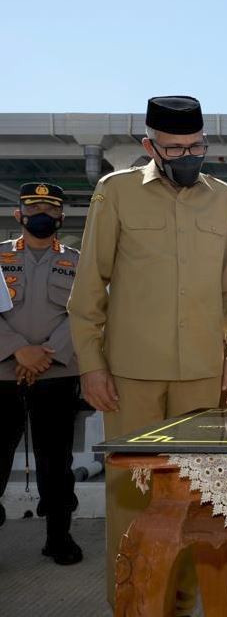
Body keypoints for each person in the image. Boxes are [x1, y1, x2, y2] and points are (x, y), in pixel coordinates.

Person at [68, 95, 227, 615]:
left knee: (197, 502)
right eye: (175, 148)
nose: (188, 156)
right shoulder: (116, 192)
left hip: (202, 376)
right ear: (150, 146)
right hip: (130, 377)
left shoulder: (224, 199)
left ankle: (182, 604)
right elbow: (89, 287)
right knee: (131, 500)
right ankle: (131, 604)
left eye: (197, 146)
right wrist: (91, 363)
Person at [0, 182, 82, 564]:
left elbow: (83, 315)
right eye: (33, 207)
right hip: (3, 374)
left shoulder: (77, 262)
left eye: (50, 208)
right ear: (19, 214)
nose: (42, 214)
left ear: (61, 216)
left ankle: (59, 537)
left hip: (57, 375)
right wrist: (19, 349)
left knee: (56, 460)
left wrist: (44, 357)